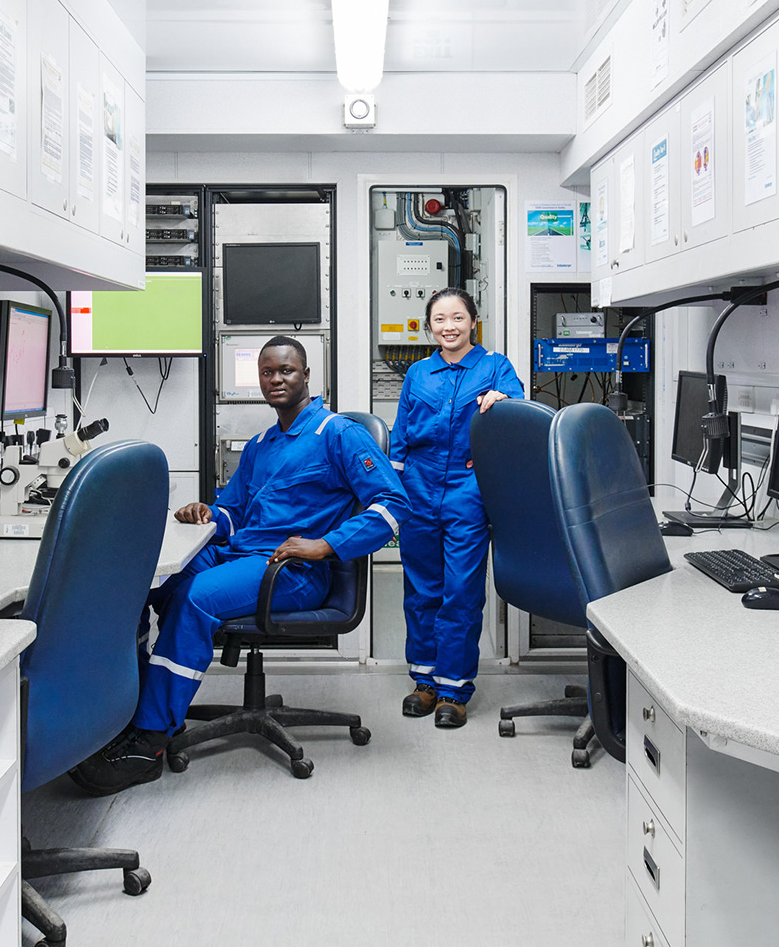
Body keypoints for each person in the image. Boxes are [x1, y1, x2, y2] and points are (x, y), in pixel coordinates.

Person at [70, 335, 408, 795]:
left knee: (194, 599)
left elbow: (392, 505)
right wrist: (207, 513)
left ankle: (149, 740)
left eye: (286, 370)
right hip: (242, 553)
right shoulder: (261, 443)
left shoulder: (339, 435)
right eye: (267, 372)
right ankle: (126, 710)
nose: (276, 379)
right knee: (151, 583)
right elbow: (235, 513)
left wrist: (325, 545)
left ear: (307, 376)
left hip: (290, 570)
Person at [391, 287, 524, 729]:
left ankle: (454, 688)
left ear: (473, 321)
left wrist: (503, 402)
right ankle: (424, 680)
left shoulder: (493, 367)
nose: (449, 327)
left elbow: (519, 410)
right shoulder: (418, 374)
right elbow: (400, 437)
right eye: (440, 320)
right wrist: (393, 491)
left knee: (461, 590)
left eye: (457, 318)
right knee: (421, 588)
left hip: (469, 487)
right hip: (419, 486)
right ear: (429, 326)